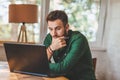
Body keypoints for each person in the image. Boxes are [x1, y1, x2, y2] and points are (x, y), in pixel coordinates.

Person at [44, 10, 96, 80]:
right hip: (63, 78)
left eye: (58, 29)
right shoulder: (49, 37)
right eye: (50, 29)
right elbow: (42, 61)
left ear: (66, 27)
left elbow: (63, 68)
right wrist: (51, 48)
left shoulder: (79, 39)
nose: (53, 34)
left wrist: (40, 65)